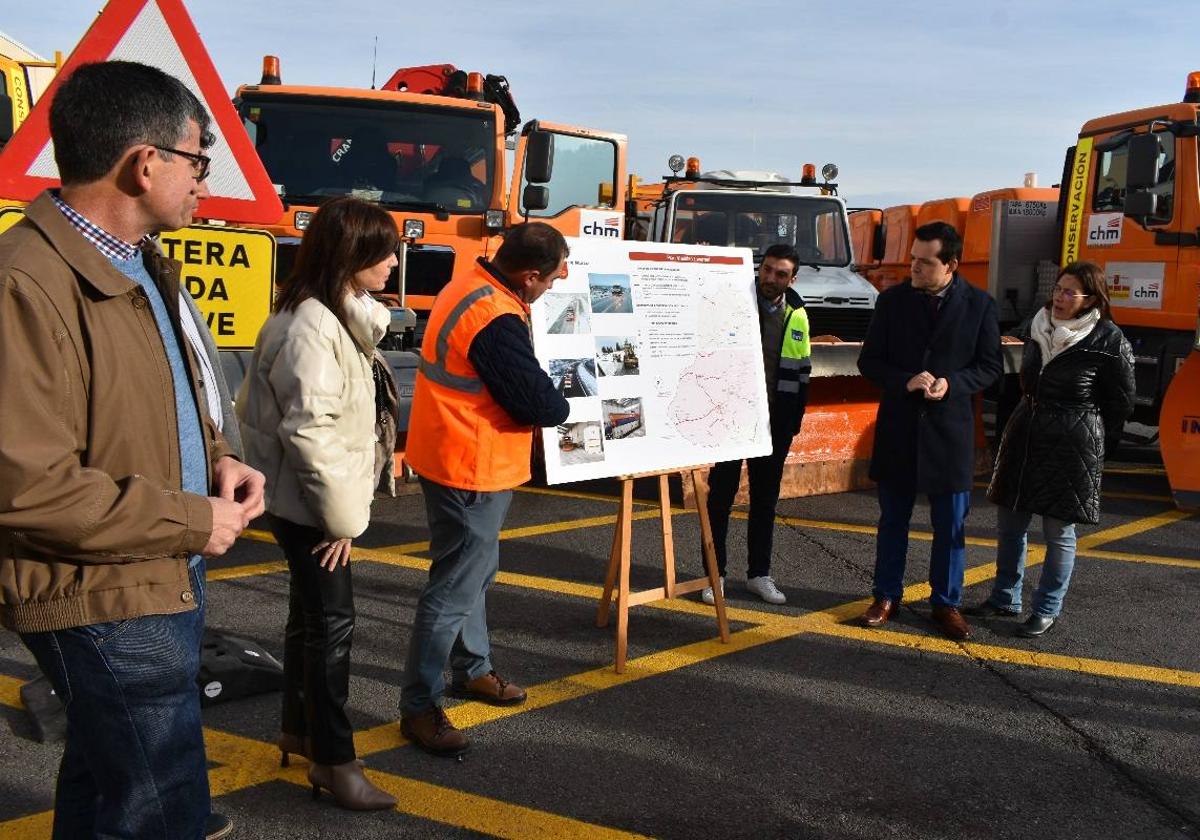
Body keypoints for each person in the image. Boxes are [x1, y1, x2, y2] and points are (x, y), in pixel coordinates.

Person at [0, 61, 265, 840]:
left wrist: (215, 455)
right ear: (145, 162)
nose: (204, 184)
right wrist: (192, 519)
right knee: (159, 807)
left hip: (149, 569)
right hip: (101, 590)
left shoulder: (140, 261)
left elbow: (154, 398)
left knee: (104, 783)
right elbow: (28, 488)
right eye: (199, 160)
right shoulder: (28, 282)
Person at [237, 197, 398, 811]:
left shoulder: (324, 316)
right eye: (380, 250)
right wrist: (342, 520)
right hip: (311, 506)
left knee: (311, 620)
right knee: (333, 627)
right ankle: (335, 762)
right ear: (349, 255)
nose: (392, 260)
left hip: (300, 499)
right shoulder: (313, 327)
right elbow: (309, 431)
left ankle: (300, 732)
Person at [400, 222, 570, 756]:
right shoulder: (494, 316)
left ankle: (472, 668)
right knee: (453, 588)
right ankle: (419, 706)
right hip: (470, 466)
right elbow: (536, 403)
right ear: (528, 275)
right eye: (549, 279)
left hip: (446, 453)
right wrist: (563, 401)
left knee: (470, 573)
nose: (551, 287)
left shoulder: (470, 281)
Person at [967, 262, 1134, 637]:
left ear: (1091, 299)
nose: (1059, 297)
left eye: (1069, 292)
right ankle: (1004, 597)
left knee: (1059, 532)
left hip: (1072, 442)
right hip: (1025, 431)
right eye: (1058, 289)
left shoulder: (1109, 339)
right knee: (1010, 523)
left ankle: (1047, 608)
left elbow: (1122, 402)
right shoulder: (1037, 326)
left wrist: (1089, 431)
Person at [857, 221, 1001, 641]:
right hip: (900, 427)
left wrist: (952, 383)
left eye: (923, 262)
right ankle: (885, 596)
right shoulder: (892, 301)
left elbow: (989, 367)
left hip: (950, 433)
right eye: (912, 259)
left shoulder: (980, 305)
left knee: (951, 526)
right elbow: (870, 361)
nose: (913, 268)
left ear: (951, 264)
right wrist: (904, 379)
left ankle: (947, 603)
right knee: (892, 521)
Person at [701, 244, 812, 606]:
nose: (771, 278)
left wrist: (791, 423)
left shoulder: (798, 313)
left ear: (791, 279)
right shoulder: (733, 300)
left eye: (781, 274)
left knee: (765, 502)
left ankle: (759, 575)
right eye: (767, 269)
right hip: (731, 419)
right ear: (759, 268)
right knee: (720, 499)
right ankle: (714, 575)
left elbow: (802, 372)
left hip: (773, 424)